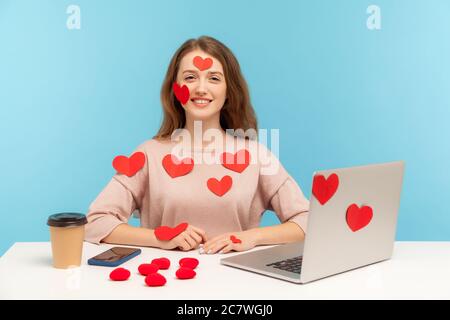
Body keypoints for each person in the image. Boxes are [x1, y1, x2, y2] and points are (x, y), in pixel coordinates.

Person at [84, 36, 309, 254]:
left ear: (229, 91)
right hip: (165, 283)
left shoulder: (257, 156)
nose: (201, 88)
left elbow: (308, 220)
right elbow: (95, 222)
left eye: (214, 78)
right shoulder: (148, 154)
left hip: (238, 282)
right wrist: (159, 237)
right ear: (175, 88)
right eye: (191, 77)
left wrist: (252, 237)